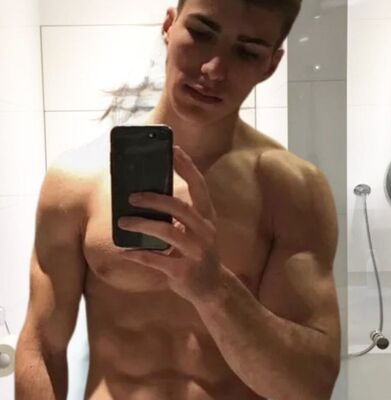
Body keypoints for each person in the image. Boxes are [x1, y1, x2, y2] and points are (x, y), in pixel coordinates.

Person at [15, 0, 341, 399]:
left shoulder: (291, 190)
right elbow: (42, 347)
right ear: (169, 26)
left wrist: (214, 289)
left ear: (270, 65)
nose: (214, 69)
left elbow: (310, 387)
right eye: (201, 34)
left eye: (246, 52)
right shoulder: (75, 181)